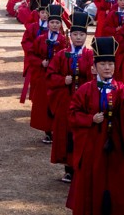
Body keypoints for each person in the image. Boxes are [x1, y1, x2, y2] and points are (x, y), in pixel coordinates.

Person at [65, 36, 124, 215]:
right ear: (94, 67)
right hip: (92, 146)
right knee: (93, 182)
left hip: (115, 146)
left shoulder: (121, 89)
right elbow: (72, 114)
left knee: (116, 183)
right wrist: (90, 119)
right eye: (103, 64)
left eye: (110, 64)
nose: (107, 68)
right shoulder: (85, 90)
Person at [45, 11, 93, 183]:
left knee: (82, 133)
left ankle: (82, 166)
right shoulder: (62, 54)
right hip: (65, 100)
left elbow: (97, 77)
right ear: (70, 35)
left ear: (86, 36)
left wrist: (91, 74)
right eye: (75, 34)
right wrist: (62, 80)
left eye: (82, 35)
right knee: (66, 134)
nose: (78, 38)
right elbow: (50, 75)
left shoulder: (91, 55)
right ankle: (68, 168)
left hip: (85, 101)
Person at [28, 4, 68, 143]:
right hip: (43, 76)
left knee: (56, 103)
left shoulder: (63, 40)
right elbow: (31, 54)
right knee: (45, 103)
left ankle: (57, 129)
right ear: (48, 23)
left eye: (58, 22)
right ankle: (47, 131)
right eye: (52, 22)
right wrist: (40, 62)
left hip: (58, 77)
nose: (55, 25)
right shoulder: (40, 39)